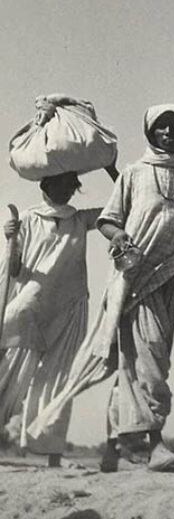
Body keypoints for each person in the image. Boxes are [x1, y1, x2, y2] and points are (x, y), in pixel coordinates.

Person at [31, 105, 174, 472]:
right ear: (150, 132)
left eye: (173, 126)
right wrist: (120, 238)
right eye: (160, 127)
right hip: (135, 275)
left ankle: (112, 446)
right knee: (150, 355)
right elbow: (108, 220)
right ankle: (156, 443)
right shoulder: (134, 174)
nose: (167, 132)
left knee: (135, 361)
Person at [0, 170, 114, 467]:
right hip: (30, 304)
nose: (65, 188)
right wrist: (9, 238)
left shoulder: (80, 219)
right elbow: (14, 270)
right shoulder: (26, 219)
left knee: (59, 379)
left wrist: (111, 167)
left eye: (70, 184)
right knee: (8, 373)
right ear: (45, 185)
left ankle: (53, 456)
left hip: (70, 305)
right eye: (59, 182)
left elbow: (123, 204)